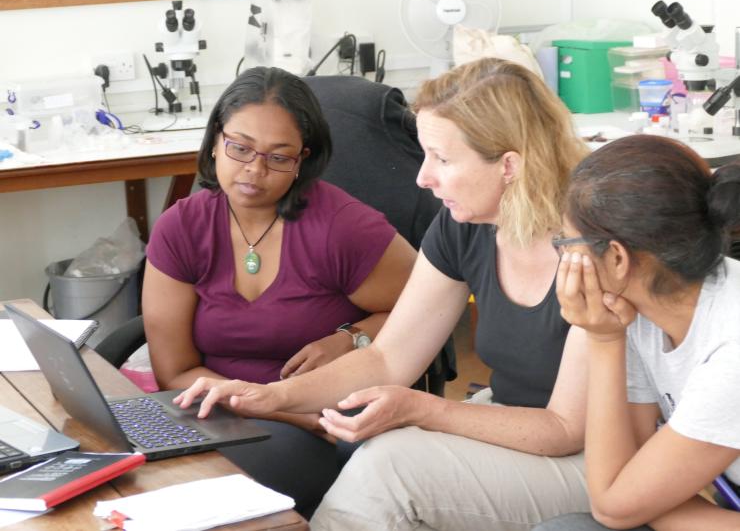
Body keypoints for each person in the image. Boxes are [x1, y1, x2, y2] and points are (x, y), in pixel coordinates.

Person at [175, 57, 593, 530]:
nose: (422, 178)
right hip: (510, 423)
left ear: (509, 166)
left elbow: (565, 429)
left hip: (595, 458)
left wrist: (424, 408)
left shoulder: (592, 248)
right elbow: (388, 358)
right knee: (381, 452)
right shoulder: (465, 227)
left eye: (442, 159)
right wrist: (272, 396)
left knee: (392, 471)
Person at [142, 66, 417, 517]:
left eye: (278, 157)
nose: (254, 169)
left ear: (303, 160)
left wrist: (350, 338)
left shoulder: (343, 228)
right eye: (240, 148)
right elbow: (174, 374)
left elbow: (425, 315)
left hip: (320, 419)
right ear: (215, 141)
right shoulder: (182, 227)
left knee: (205, 503)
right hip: (222, 410)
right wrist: (275, 409)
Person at [535, 135, 740, 531]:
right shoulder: (645, 307)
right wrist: (609, 338)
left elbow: (614, 505)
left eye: (565, 241)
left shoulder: (732, 348)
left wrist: (602, 341)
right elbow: (621, 484)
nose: (561, 255)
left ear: (616, 257)